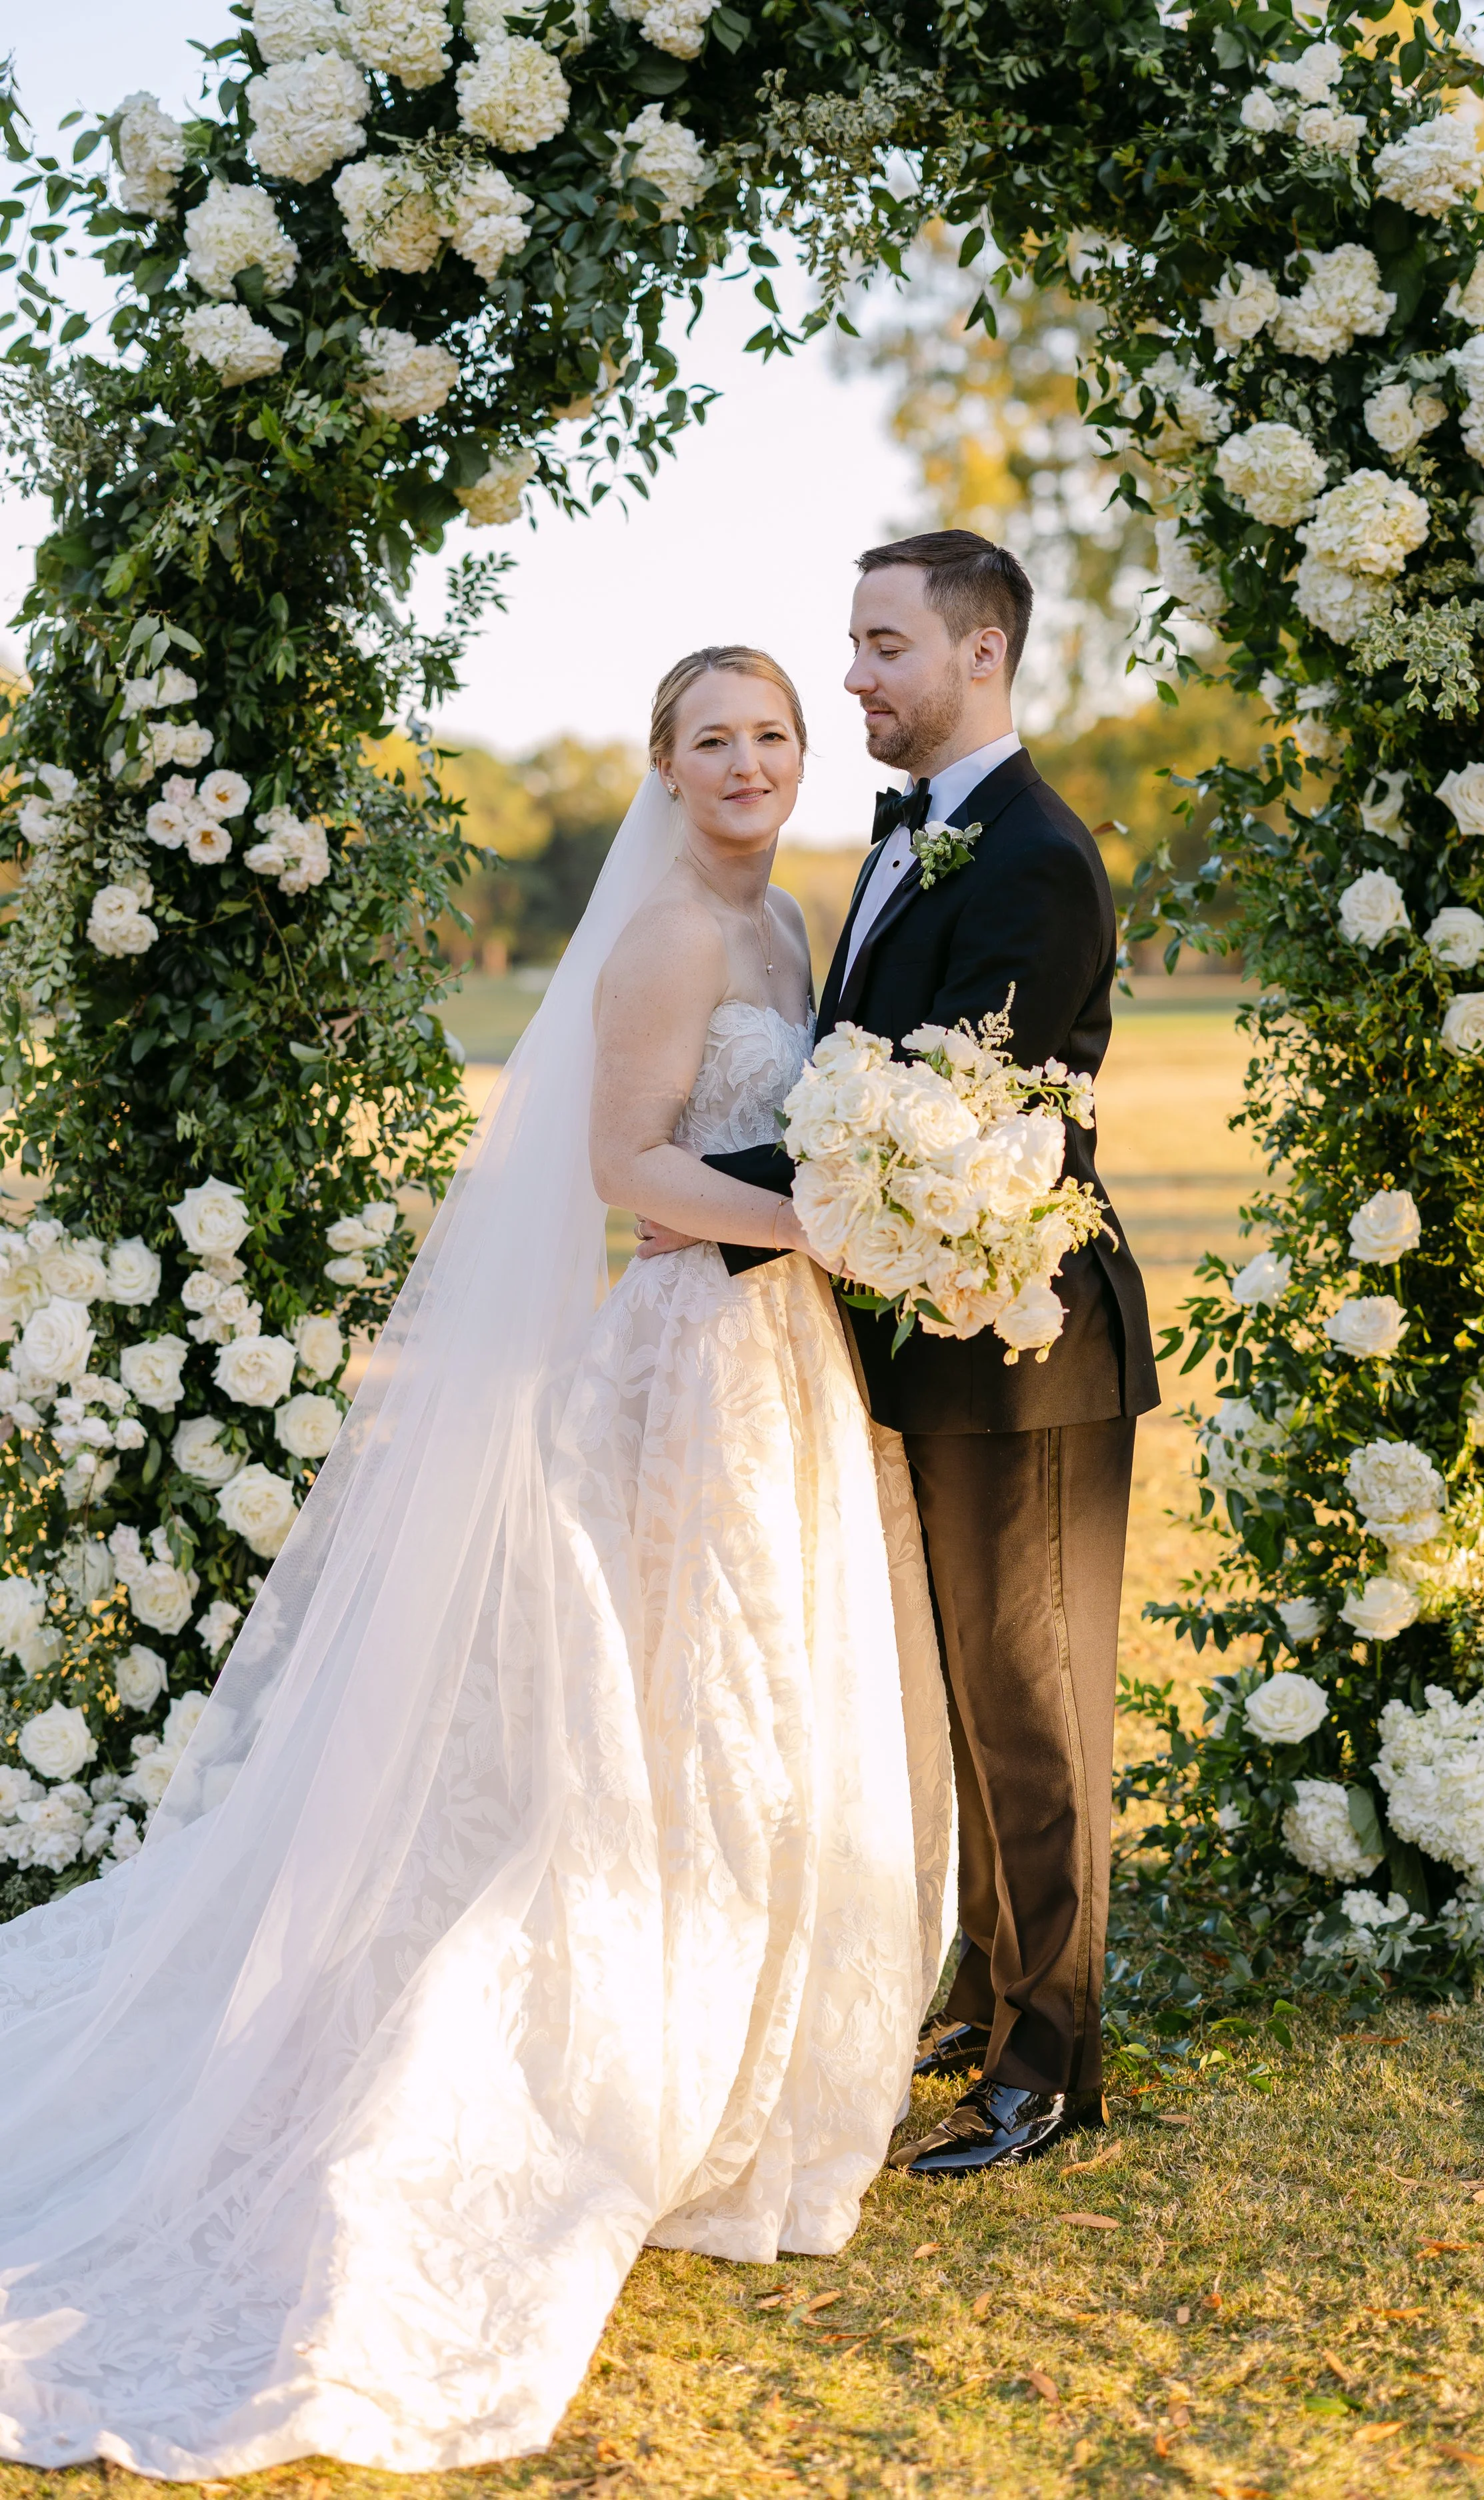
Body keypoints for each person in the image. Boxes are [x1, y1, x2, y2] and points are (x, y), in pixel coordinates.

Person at [0, 648, 953, 2476]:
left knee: (757, 1686)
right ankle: (625, 2067)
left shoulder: (793, 918)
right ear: (663, 768)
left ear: (797, 755)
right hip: (694, 1346)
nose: (746, 764)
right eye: (712, 741)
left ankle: (759, 2050)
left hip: (788, 1351)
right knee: (685, 1698)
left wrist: (852, 1217)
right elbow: (623, 1166)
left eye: (771, 736)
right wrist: (829, 1218)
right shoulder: (674, 930)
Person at [648, 534, 1159, 2173]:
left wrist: (696, 1204)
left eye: (881, 647)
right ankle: (979, 1984)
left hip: (1021, 1351)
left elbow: (942, 1146)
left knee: (1028, 1701)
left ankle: (1044, 2063)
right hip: (898, 1339)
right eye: (852, 645)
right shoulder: (911, 841)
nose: (852, 677)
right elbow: (854, 1110)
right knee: (941, 1692)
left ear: (980, 654)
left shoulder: (1028, 859)